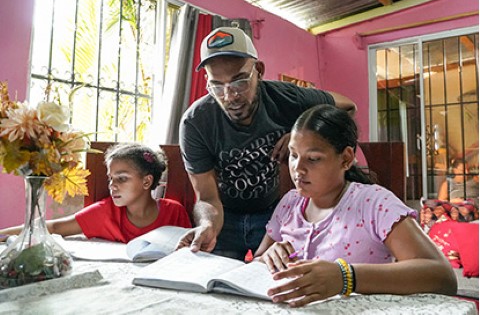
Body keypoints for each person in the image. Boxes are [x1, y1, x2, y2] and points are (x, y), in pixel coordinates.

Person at [177, 26, 357, 260]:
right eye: (217, 86)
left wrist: (299, 133)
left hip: (276, 213)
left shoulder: (287, 98)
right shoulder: (195, 122)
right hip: (224, 217)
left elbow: (348, 106)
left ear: (259, 71)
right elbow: (207, 198)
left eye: (239, 81)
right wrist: (206, 226)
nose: (229, 96)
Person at [253, 105, 456, 307]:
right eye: (293, 155)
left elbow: (442, 276)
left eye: (313, 159)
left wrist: (345, 277)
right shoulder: (290, 203)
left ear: (346, 158)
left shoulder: (374, 204)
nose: (298, 168)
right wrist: (268, 257)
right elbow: (257, 260)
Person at [0, 143, 191, 243]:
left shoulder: (174, 212)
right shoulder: (104, 212)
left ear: (147, 181)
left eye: (122, 178)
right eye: (110, 179)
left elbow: (189, 250)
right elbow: (55, 227)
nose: (112, 185)